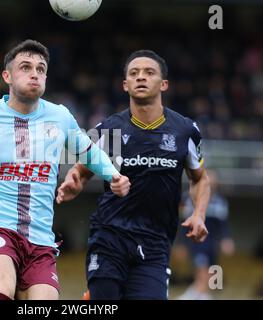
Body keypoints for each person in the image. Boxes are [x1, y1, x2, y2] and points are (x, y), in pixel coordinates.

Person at [0, 39, 130, 300]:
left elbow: (90, 152)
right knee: (0, 292)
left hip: (40, 240)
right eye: (26, 67)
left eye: (41, 69)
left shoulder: (60, 117)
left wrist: (113, 176)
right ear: (6, 76)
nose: (35, 73)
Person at [57, 50, 211, 300]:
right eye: (134, 73)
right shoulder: (109, 130)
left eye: (149, 73)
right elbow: (82, 170)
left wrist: (199, 214)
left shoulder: (184, 131)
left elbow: (199, 178)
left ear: (164, 84)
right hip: (109, 235)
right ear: (125, 85)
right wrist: (75, 180)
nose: (141, 77)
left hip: (155, 241)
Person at [178, 169, 234, 300]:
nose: (211, 182)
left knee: (210, 270)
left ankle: (201, 294)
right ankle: (196, 293)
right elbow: (183, 222)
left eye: (213, 180)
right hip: (196, 240)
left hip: (212, 242)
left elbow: (223, 224)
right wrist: (180, 244)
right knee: (201, 267)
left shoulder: (220, 201)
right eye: (208, 179)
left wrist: (226, 239)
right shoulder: (188, 198)